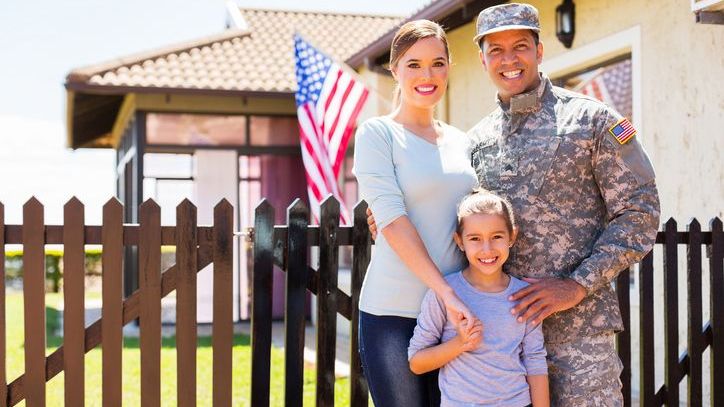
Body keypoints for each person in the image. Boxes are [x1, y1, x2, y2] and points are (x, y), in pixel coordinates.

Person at [367, 4, 660, 406]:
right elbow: (457, 210)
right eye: (495, 50)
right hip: (497, 346)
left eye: (520, 46)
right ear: (483, 59)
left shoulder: (592, 121)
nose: (509, 60)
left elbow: (640, 212)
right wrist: (386, 217)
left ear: (539, 51)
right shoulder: (476, 140)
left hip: (579, 338)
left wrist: (576, 285)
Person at [352, 19, 480, 406]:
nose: (428, 75)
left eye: (438, 63)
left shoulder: (464, 142)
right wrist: (446, 293)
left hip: (454, 317)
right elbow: (391, 220)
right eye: (414, 64)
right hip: (394, 314)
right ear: (394, 70)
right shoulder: (378, 134)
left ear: (449, 68)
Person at [408, 189, 549, 407]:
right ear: (460, 241)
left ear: (512, 236)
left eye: (497, 237)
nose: (487, 248)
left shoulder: (524, 295)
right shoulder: (445, 294)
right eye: (475, 238)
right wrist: (460, 344)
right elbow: (417, 363)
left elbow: (535, 360)